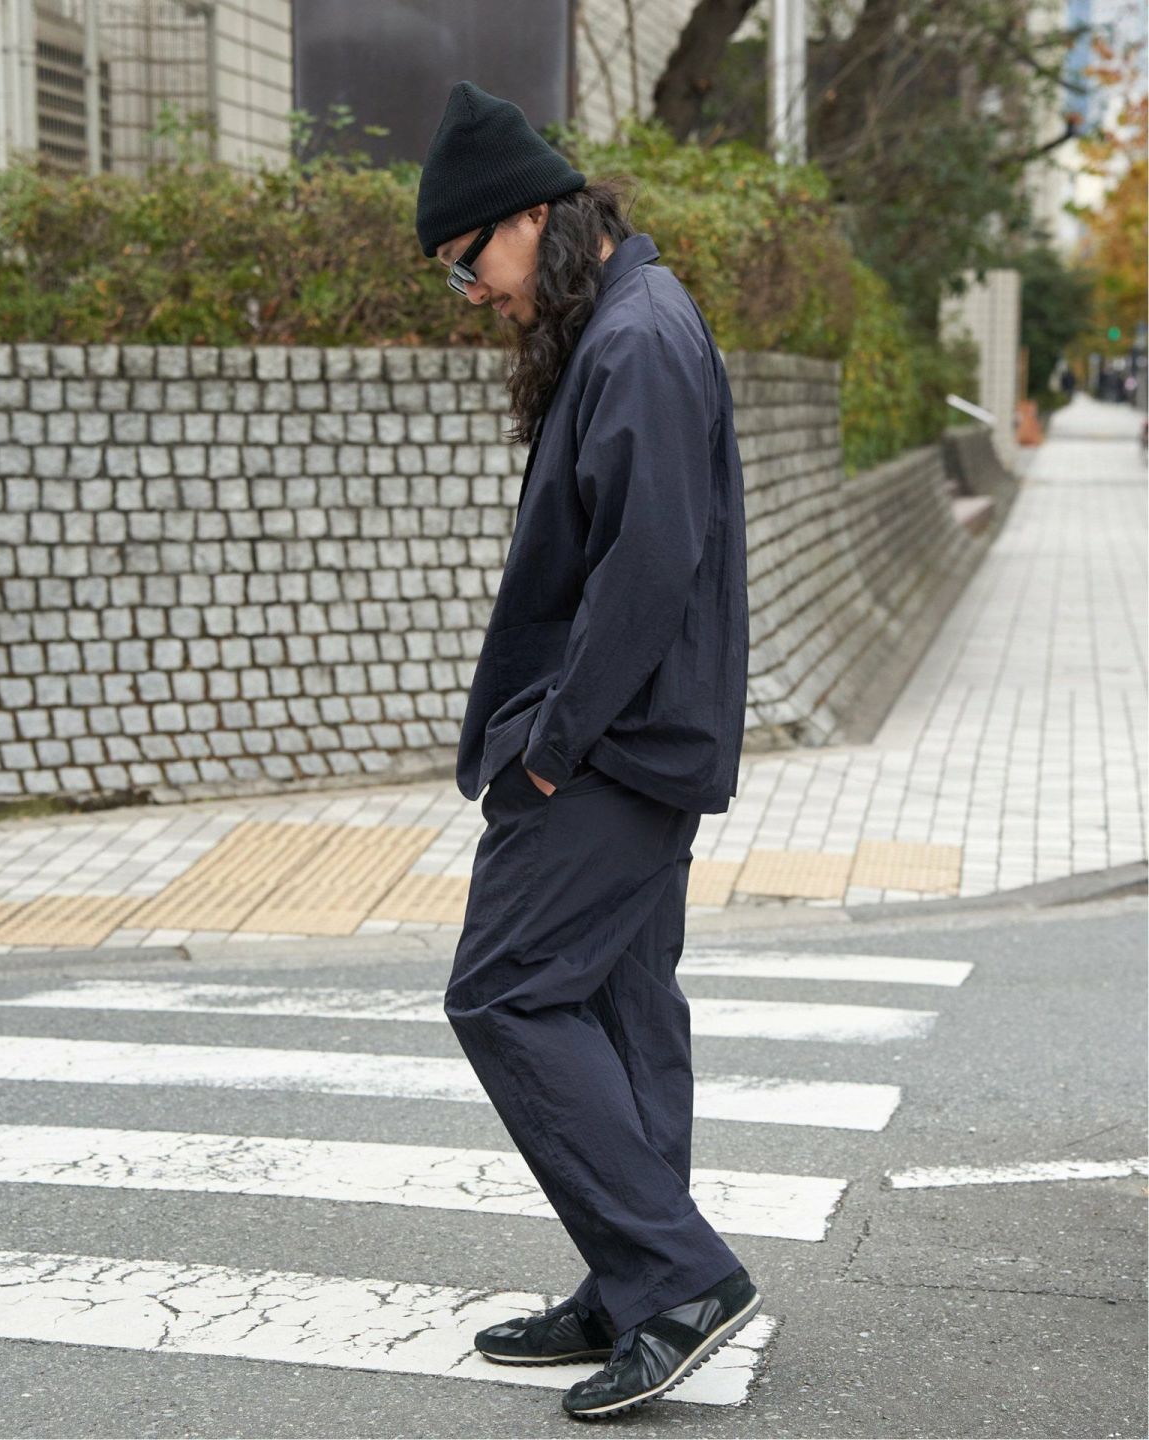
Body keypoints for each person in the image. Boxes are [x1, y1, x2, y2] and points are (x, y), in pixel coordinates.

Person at [415, 81, 760, 1420]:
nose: (475, 297)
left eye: (470, 266)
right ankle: (634, 1286)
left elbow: (648, 567)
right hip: (633, 737)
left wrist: (552, 749)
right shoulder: (623, 323)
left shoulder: (638, 338)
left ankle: (677, 1279)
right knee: (620, 1004)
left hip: (609, 745)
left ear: (531, 220)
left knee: (502, 993)